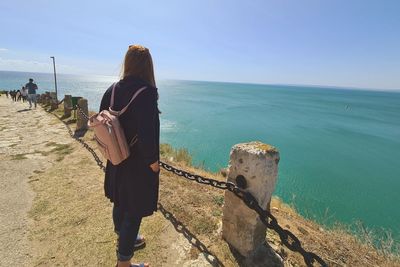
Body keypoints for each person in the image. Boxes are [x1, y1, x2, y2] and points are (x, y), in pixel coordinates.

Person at [99, 45, 159, 267]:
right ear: (148, 65)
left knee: (120, 201)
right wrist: (153, 162)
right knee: (134, 210)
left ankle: (126, 238)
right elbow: (146, 133)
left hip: (116, 159)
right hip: (137, 163)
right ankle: (124, 262)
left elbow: (103, 124)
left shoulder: (112, 89)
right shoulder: (147, 92)